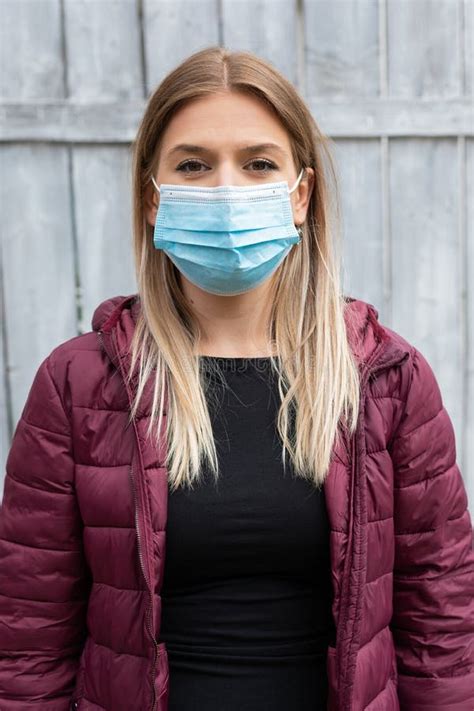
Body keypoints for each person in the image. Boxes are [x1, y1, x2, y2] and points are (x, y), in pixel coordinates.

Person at [0, 46, 472, 711]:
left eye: (258, 164)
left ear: (300, 194)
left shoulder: (387, 383)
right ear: (152, 196)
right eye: (193, 165)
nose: (227, 189)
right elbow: (26, 645)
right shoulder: (79, 385)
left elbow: (443, 634)